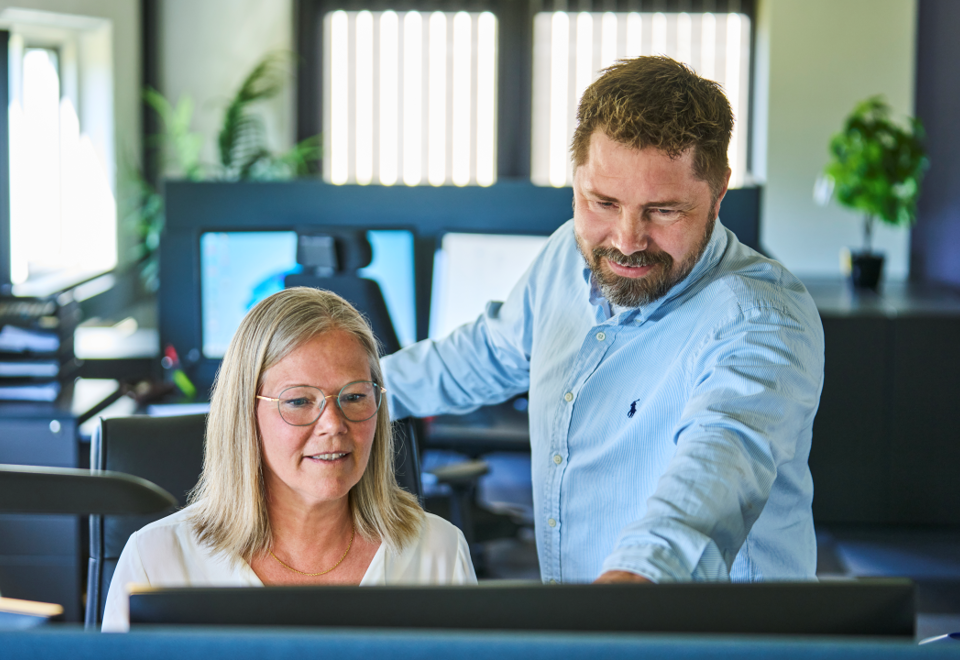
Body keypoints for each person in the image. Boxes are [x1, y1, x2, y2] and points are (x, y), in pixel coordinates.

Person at [383, 56, 825, 585]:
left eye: (663, 211)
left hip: (699, 636)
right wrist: (339, 391)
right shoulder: (564, 258)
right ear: (576, 180)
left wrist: (633, 583)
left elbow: (717, 469)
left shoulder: (761, 320)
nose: (626, 239)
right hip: (587, 624)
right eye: (603, 201)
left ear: (719, 190)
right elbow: (486, 354)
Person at [102, 287, 476, 632]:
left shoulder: (438, 551)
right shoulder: (156, 561)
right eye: (299, 401)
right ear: (245, 414)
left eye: (355, 396)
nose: (333, 424)